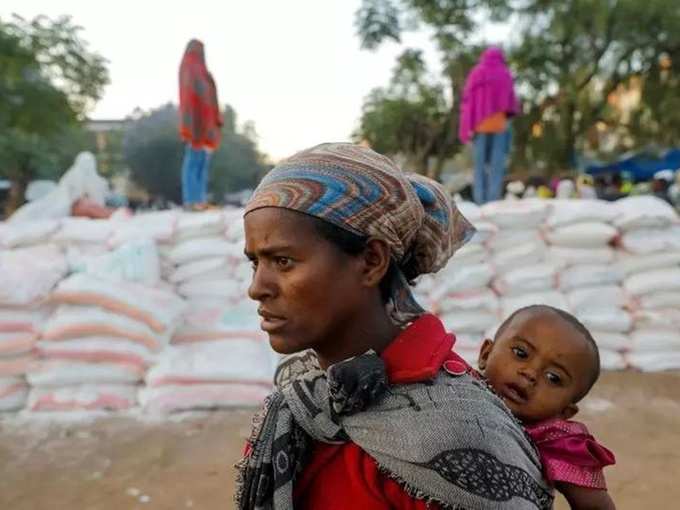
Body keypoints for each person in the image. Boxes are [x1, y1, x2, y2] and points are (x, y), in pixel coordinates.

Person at [236, 143, 554, 510]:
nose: (257, 287)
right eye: (254, 264)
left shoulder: (459, 429)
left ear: (371, 261)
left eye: (283, 261)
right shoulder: (303, 396)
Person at [477, 305, 616, 510]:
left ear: (564, 413)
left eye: (553, 378)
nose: (531, 373)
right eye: (521, 353)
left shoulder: (555, 441)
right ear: (486, 354)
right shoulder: (453, 387)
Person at [459, 47, 520, 205]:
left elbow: (467, 100)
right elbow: (511, 100)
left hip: (480, 125)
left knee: (478, 166)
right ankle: (493, 201)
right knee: (496, 165)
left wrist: (468, 124)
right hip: (499, 125)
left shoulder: (476, 73)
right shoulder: (504, 73)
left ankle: (480, 200)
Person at [178, 39, 222, 209]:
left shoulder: (204, 72)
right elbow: (188, 98)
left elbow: (210, 99)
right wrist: (190, 124)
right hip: (194, 122)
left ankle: (200, 200)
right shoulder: (188, 67)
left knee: (203, 163)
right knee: (193, 161)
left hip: (207, 124)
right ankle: (191, 200)